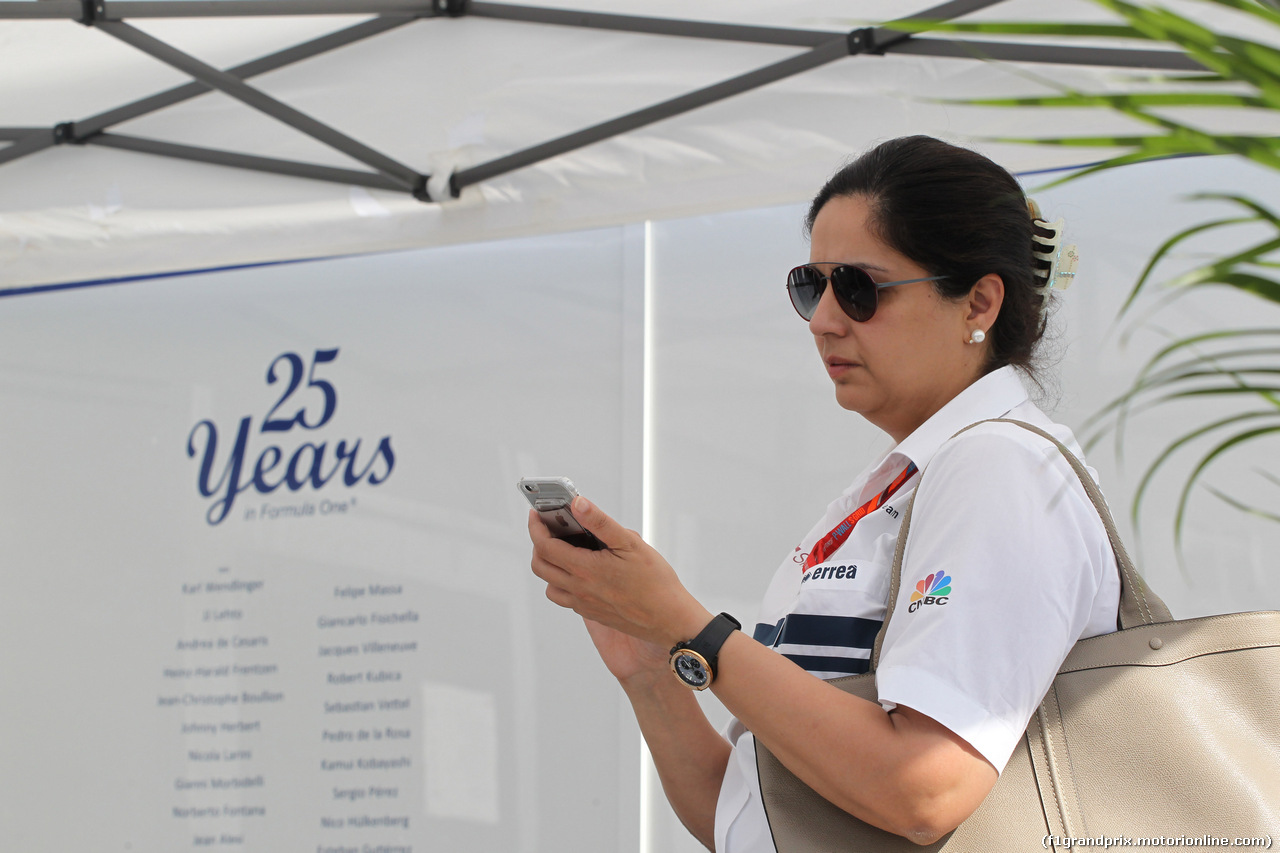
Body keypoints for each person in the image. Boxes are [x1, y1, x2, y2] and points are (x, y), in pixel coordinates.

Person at [526, 135, 1120, 851]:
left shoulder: (998, 467)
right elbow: (749, 817)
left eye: (860, 289)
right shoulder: (894, 486)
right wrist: (652, 663)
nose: (824, 320)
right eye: (812, 286)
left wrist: (695, 630)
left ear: (979, 301)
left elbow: (925, 787)